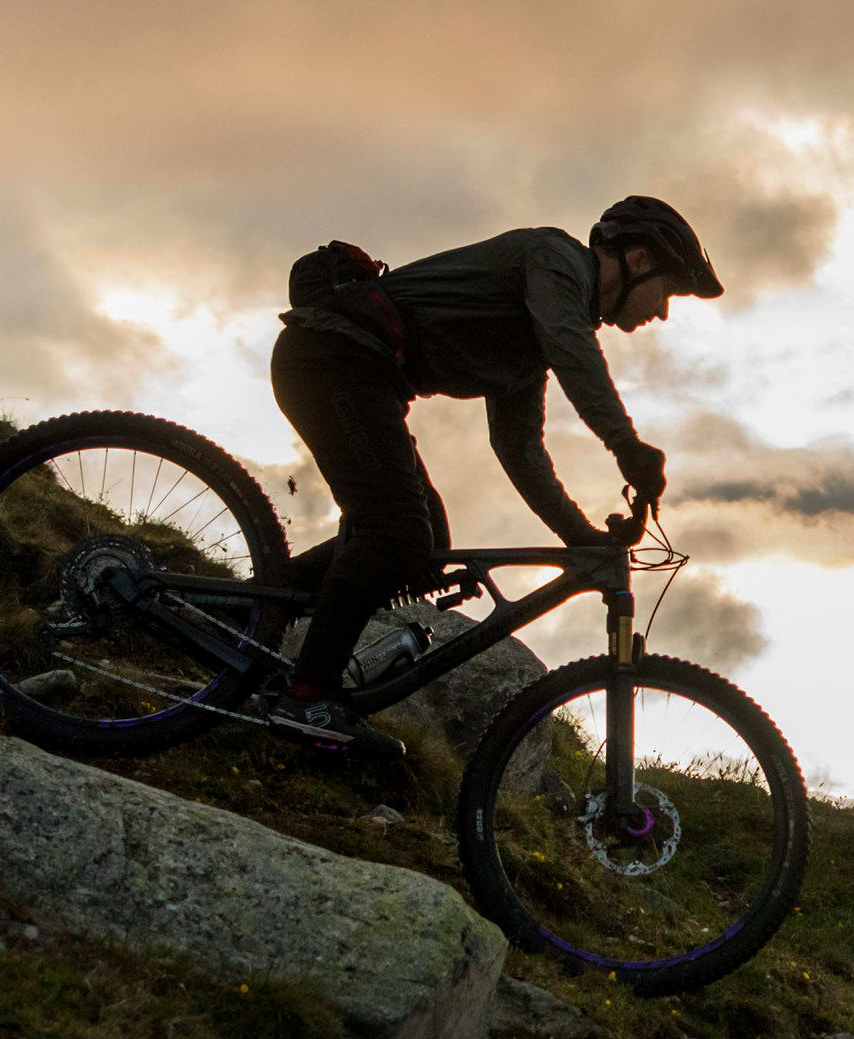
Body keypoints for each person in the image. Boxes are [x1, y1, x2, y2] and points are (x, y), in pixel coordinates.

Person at [257, 194, 722, 748]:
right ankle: (307, 696)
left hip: (356, 375)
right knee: (396, 532)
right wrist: (627, 446)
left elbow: (520, 451)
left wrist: (584, 539)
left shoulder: (531, 345)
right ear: (639, 260)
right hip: (332, 360)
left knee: (424, 543)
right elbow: (573, 351)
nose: (663, 312)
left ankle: (254, 614)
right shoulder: (554, 259)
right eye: (668, 291)